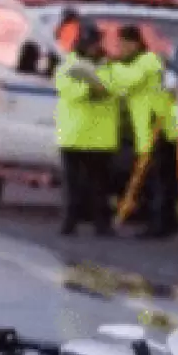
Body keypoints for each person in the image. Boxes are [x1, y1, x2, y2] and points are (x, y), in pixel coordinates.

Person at [110, 24, 178, 238]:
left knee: (156, 180)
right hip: (150, 128)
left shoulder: (147, 61)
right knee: (158, 178)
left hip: (157, 128)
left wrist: (109, 66)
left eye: (122, 44)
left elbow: (128, 80)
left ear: (133, 43)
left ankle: (159, 224)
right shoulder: (142, 62)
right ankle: (164, 222)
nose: (120, 49)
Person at [53, 21, 120, 236]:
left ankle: (102, 225)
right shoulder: (68, 65)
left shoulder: (109, 66)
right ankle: (69, 223)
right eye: (90, 43)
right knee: (72, 185)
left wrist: (99, 88)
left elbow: (116, 88)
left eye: (96, 43)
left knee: (100, 186)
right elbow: (67, 90)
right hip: (74, 135)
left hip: (101, 138)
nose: (94, 47)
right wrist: (91, 88)